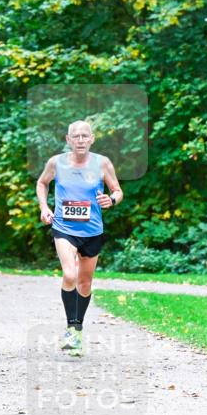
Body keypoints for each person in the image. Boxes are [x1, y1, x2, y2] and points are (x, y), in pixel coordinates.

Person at [36, 120, 123, 355]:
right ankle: (71, 327)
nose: (81, 140)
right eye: (76, 136)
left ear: (92, 139)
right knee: (69, 274)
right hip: (64, 227)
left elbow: (117, 190)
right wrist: (44, 208)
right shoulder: (56, 163)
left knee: (84, 283)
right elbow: (42, 183)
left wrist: (111, 200)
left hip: (92, 231)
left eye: (85, 136)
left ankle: (77, 330)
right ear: (68, 140)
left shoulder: (102, 163)